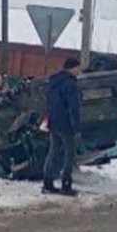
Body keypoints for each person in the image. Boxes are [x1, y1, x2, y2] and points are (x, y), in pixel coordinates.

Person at [43, 57, 83, 196]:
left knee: (52, 152)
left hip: (54, 122)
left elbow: (48, 102)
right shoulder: (70, 84)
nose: (80, 71)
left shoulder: (53, 82)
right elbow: (73, 107)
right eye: (78, 68)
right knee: (69, 154)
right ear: (72, 68)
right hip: (66, 124)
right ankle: (66, 184)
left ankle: (47, 183)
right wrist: (77, 127)